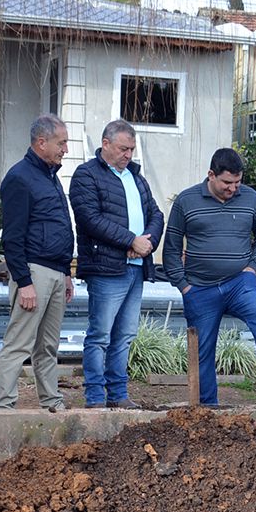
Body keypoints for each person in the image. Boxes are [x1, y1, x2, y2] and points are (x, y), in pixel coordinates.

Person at [163, 147, 256, 409]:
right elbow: (171, 248)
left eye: (237, 182)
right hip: (199, 287)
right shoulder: (186, 201)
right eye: (227, 183)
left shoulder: (250, 198)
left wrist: (253, 267)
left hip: (240, 283)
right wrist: (184, 286)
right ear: (211, 175)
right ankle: (207, 406)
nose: (233, 188)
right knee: (203, 349)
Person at [69, 119, 165, 409]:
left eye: (132, 149)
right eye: (123, 148)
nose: (128, 155)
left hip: (136, 268)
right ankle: (96, 397)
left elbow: (156, 213)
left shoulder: (136, 177)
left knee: (124, 336)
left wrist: (148, 241)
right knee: (100, 335)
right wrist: (130, 241)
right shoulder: (86, 175)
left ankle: (119, 395)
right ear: (106, 144)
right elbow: (90, 219)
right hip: (106, 268)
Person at [0, 113, 75, 411]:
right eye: (61, 142)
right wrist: (24, 282)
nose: (65, 149)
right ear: (41, 143)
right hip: (34, 273)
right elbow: (12, 237)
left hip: (55, 272)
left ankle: (52, 403)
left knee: (48, 346)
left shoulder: (50, 177)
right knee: (19, 343)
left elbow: (57, 226)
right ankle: (4, 406)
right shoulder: (20, 178)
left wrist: (66, 273)